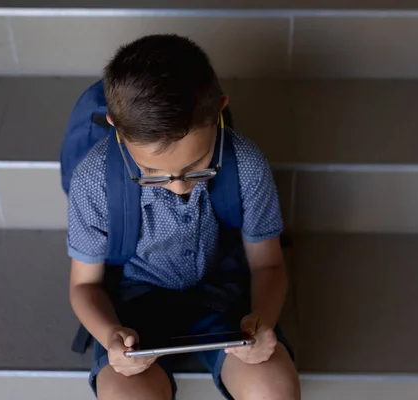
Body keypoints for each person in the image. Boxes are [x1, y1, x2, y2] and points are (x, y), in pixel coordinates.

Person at [66, 34, 301, 400]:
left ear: (220, 110)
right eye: (152, 172)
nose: (179, 188)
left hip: (223, 290)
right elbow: (84, 286)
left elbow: (268, 266)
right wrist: (109, 335)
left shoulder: (246, 164)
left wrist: (264, 323)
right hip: (133, 303)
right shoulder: (94, 181)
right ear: (117, 128)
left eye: (196, 169)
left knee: (273, 390)